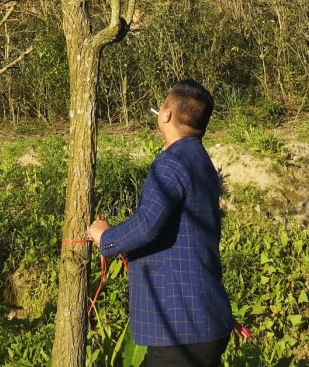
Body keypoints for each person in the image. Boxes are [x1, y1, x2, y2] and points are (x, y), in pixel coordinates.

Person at [87, 80, 234, 367]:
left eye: (162, 104)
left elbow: (146, 224)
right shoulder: (200, 160)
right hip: (202, 320)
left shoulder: (170, 163)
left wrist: (106, 238)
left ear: (165, 115)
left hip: (181, 326)